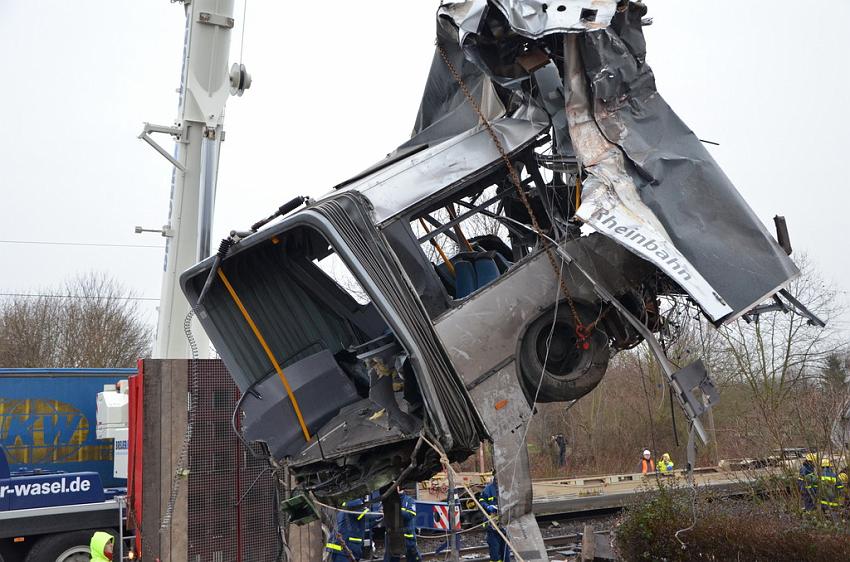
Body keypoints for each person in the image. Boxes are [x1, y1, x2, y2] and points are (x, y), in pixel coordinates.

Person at [384, 487, 421, 562]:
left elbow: (410, 514)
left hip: (407, 537)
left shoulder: (409, 500)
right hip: (394, 536)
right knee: (392, 558)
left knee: (414, 558)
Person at [481, 476, 511, 562]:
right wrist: (488, 507)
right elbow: (482, 501)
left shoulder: (507, 488)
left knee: (505, 552)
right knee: (494, 552)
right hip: (492, 526)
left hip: (505, 526)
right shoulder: (488, 489)